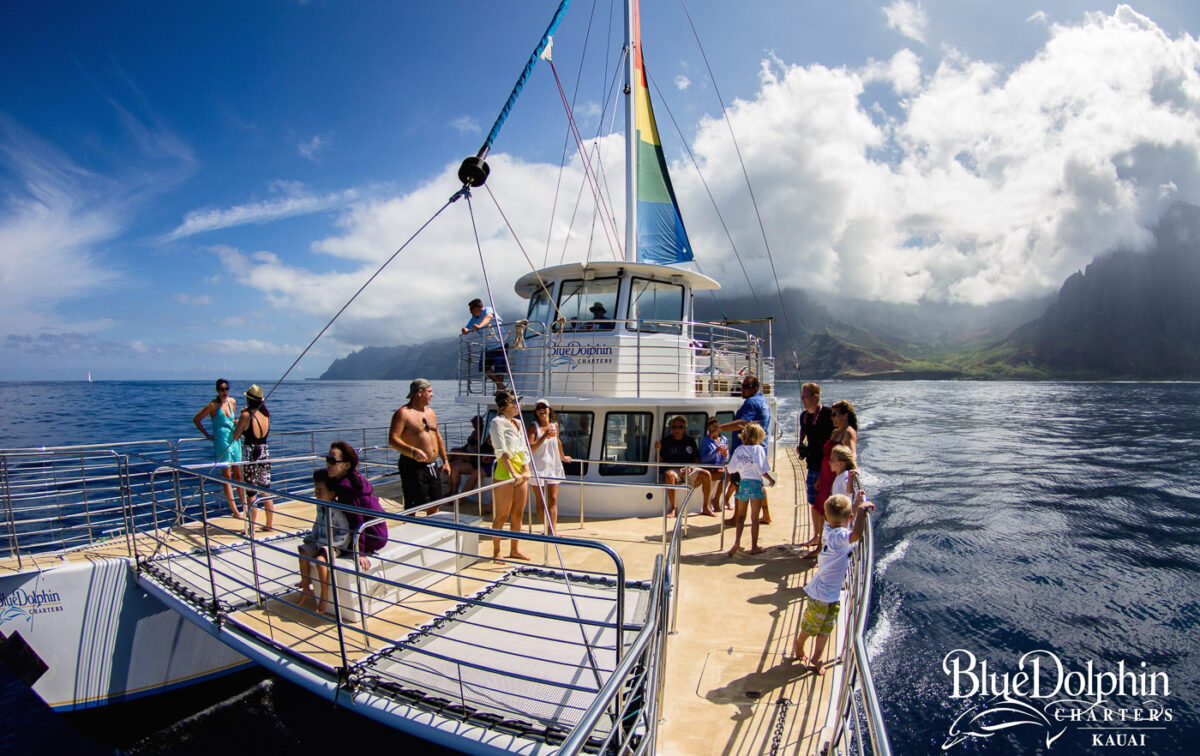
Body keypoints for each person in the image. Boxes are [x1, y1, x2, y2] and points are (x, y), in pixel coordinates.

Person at [787, 491, 874, 674]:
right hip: (821, 593)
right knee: (811, 625)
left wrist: (856, 503)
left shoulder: (829, 528)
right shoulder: (840, 537)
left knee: (826, 626)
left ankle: (817, 657)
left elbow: (844, 522)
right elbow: (856, 534)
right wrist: (862, 510)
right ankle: (799, 644)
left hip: (831, 593)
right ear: (850, 516)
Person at [804, 400, 859, 559]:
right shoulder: (836, 431)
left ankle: (823, 550)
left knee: (829, 515)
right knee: (821, 510)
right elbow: (827, 456)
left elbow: (852, 454)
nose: (833, 418)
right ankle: (820, 545)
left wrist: (853, 470)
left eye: (836, 414)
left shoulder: (848, 432)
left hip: (834, 479)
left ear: (845, 415)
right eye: (832, 414)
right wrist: (820, 477)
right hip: (825, 476)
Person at [388, 378, 450, 515]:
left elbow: (438, 437)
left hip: (432, 465)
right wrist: (412, 450)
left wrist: (445, 461)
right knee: (413, 504)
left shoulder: (431, 413)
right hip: (412, 465)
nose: (432, 395)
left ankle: (433, 528)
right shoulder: (403, 413)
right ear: (420, 392)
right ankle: (409, 530)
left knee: (435, 501)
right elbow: (392, 439)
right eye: (429, 392)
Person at [718, 375, 773, 520]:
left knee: (738, 482)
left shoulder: (751, 402)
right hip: (760, 448)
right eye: (742, 386)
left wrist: (719, 428)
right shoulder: (763, 401)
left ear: (755, 388)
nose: (742, 390)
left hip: (747, 450)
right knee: (758, 482)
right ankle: (766, 515)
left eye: (746, 387)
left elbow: (742, 423)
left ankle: (737, 517)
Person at [325, 441, 385, 572]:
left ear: (346, 465)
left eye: (332, 460)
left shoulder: (346, 487)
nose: (328, 464)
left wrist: (359, 552)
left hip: (372, 536)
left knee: (324, 546)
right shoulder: (355, 477)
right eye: (327, 459)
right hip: (379, 531)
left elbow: (357, 520)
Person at [296, 470, 350, 614]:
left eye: (320, 491)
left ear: (332, 493)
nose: (316, 494)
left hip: (334, 544)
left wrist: (330, 544)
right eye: (316, 490)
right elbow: (317, 525)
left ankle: (324, 594)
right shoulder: (320, 507)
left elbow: (345, 533)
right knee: (303, 551)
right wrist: (312, 538)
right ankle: (306, 585)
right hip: (320, 541)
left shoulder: (336, 511)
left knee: (321, 560)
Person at [192, 378, 244, 518]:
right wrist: (207, 434)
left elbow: (231, 420)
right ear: (217, 390)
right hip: (221, 442)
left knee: (238, 475)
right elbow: (196, 419)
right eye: (222, 389)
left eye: (226, 388)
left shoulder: (232, 402)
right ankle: (235, 510)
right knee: (226, 476)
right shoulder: (213, 405)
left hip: (234, 441)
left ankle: (245, 505)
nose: (224, 392)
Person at [489, 390, 530, 562]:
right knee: (502, 515)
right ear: (507, 405)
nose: (519, 405)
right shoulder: (497, 422)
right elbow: (500, 449)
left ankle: (515, 549)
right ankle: (497, 551)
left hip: (520, 472)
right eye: (516, 402)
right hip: (505, 473)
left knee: (518, 513)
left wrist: (525, 470)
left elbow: (524, 448)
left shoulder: (519, 423)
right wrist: (513, 473)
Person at [724, 422, 775, 556]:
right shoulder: (758, 449)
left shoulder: (739, 449)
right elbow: (760, 468)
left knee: (740, 516)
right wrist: (770, 479)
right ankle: (754, 546)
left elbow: (731, 469)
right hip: (755, 484)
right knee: (754, 518)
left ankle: (737, 542)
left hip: (743, 484)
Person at [232, 384, 273, 535]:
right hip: (264, 452)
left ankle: (251, 528)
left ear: (248, 399)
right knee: (265, 490)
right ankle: (269, 524)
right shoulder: (266, 415)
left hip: (250, 454)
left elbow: (235, 436)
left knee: (251, 493)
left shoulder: (246, 415)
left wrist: (239, 425)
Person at [527, 398, 572, 535]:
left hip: (553, 466)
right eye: (539, 408)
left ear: (549, 409)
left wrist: (562, 457)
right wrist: (544, 437)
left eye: (544, 407)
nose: (542, 409)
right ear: (536, 411)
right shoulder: (533, 427)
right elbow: (531, 447)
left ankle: (552, 530)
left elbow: (557, 440)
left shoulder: (555, 425)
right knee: (541, 500)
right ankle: (548, 530)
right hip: (538, 468)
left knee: (552, 499)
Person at [655, 416, 713, 517]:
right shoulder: (665, 442)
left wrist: (691, 468)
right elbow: (658, 461)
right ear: (671, 428)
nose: (677, 429)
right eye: (674, 427)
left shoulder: (690, 441)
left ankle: (706, 507)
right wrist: (657, 450)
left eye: (680, 427)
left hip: (689, 470)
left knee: (706, 474)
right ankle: (674, 508)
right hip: (674, 471)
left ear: (685, 428)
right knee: (669, 475)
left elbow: (696, 459)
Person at [796, 382, 833, 532]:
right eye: (802, 397)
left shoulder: (828, 415)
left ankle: (825, 539)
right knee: (813, 502)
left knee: (825, 505)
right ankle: (817, 535)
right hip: (812, 466)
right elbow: (803, 434)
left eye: (805, 397)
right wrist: (801, 446)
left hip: (826, 468)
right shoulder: (804, 416)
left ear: (815, 397)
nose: (802, 400)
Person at [447, 416, 493, 504]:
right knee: (451, 464)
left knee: (456, 468)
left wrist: (488, 457)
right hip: (476, 458)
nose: (474, 425)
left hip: (477, 459)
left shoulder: (484, 434)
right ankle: (452, 492)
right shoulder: (486, 435)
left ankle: (456, 495)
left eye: (475, 423)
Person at [463, 298, 506, 389]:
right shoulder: (474, 319)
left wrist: (479, 326)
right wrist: (465, 330)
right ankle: (500, 385)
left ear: (478, 308)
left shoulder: (488, 310)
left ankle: (499, 388)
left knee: (500, 367)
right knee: (484, 367)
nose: (471, 312)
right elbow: (467, 328)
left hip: (500, 343)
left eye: (471, 310)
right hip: (488, 346)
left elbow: (488, 317)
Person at [699, 416, 730, 513]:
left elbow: (726, 458)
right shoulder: (705, 441)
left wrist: (725, 455)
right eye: (710, 423)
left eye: (715, 421)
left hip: (719, 468)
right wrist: (716, 451)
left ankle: (720, 499)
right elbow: (703, 459)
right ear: (708, 427)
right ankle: (715, 501)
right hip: (709, 469)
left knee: (732, 473)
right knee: (727, 474)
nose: (714, 424)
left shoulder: (724, 439)